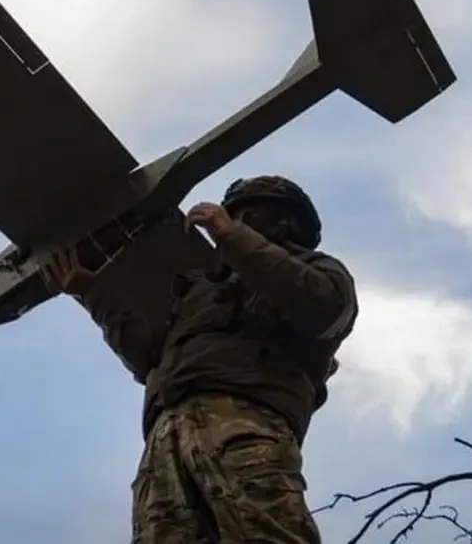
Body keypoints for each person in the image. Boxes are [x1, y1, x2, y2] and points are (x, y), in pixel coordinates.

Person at [42, 175, 358, 544]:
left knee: (266, 533)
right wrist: (92, 293)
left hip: (245, 420)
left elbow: (322, 308)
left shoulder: (321, 271)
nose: (235, 223)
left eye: (249, 216)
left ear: (287, 222)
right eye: (234, 216)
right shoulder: (203, 289)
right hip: (167, 433)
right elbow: (152, 358)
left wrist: (232, 237)